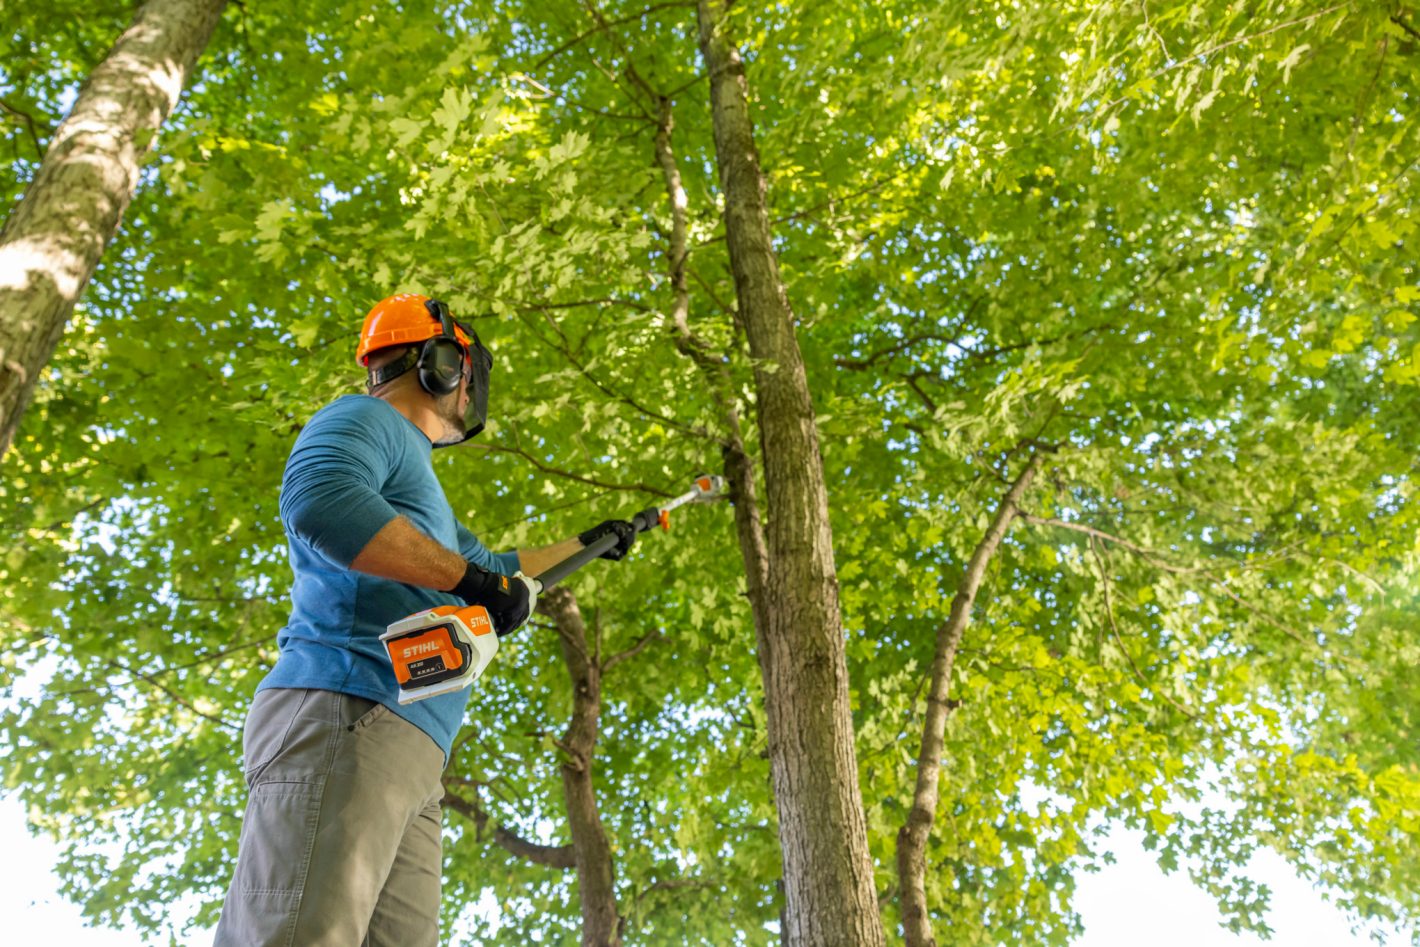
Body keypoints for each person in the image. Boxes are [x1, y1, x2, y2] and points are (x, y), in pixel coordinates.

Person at [214, 293, 635, 946]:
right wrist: (473, 582)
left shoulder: (423, 494)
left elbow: (497, 567)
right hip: (346, 707)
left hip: (410, 749)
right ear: (440, 363)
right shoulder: (367, 419)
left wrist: (595, 540)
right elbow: (321, 497)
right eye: (467, 368)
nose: (473, 387)